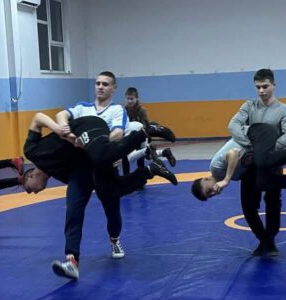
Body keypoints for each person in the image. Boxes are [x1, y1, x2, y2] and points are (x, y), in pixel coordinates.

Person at [21, 112, 176, 280]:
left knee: (110, 198)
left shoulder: (32, 151)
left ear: (29, 176)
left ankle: (146, 131)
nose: (33, 192)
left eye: (29, 189)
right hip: (86, 166)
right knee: (79, 207)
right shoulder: (62, 175)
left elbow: (38, 118)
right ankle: (72, 262)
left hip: (87, 128)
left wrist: (57, 128)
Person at [191, 124, 286, 257]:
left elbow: (233, 153)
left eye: (208, 190)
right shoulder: (225, 175)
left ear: (205, 179)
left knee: (271, 196)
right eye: (211, 195)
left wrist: (226, 179)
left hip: (263, 151)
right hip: (253, 164)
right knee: (251, 204)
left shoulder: (215, 168)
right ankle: (266, 241)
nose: (213, 192)